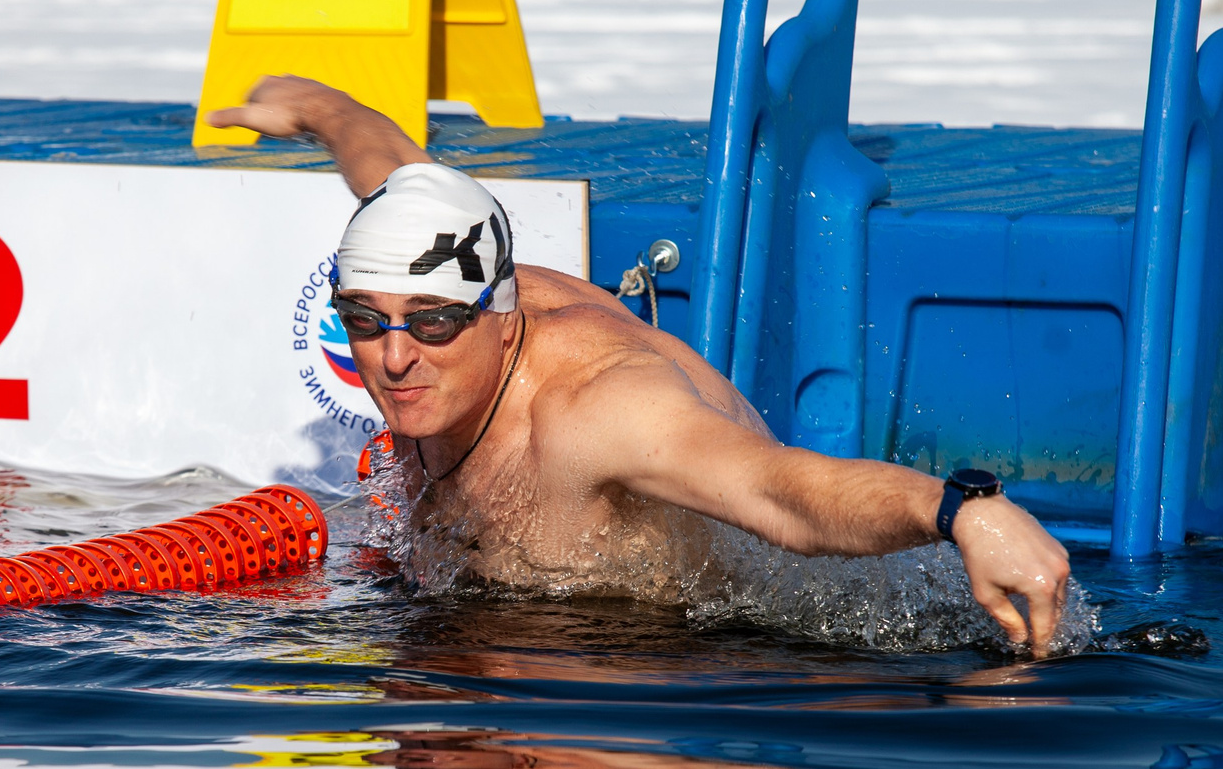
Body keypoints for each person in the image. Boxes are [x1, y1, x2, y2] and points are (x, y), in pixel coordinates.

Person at [206, 76, 1073, 657]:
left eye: (432, 326)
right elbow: (401, 176)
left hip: (731, 650)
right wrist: (324, 111)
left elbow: (778, 490)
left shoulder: (598, 409)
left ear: (500, 317)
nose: (395, 358)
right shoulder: (431, 256)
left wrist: (962, 508)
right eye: (365, 321)